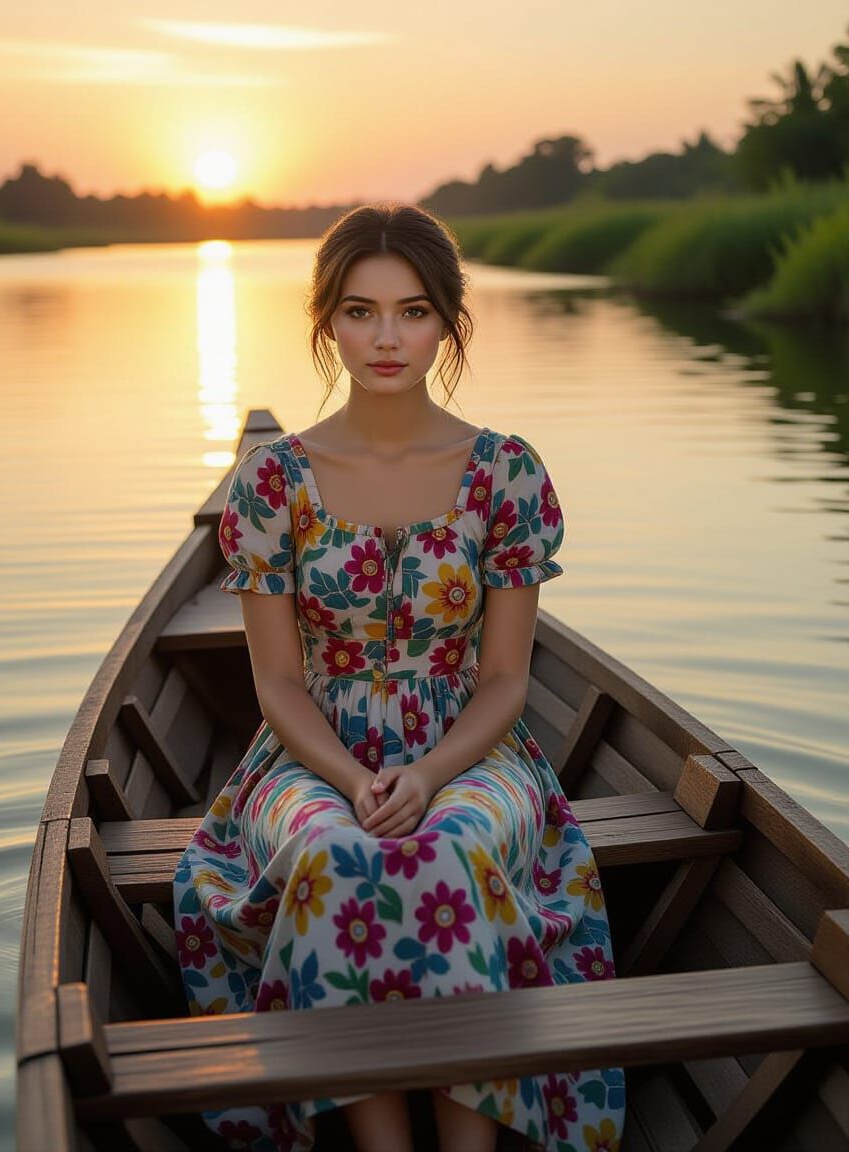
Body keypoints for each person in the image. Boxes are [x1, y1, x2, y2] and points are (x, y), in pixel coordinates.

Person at [172, 202, 626, 1152]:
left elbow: (504, 680)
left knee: (452, 846)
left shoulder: (504, 473)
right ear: (327, 322)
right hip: (309, 752)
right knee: (335, 852)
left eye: (413, 312)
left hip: (472, 746)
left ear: (448, 323)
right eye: (360, 311)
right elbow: (278, 685)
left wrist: (427, 773)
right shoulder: (273, 482)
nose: (386, 338)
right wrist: (351, 779)